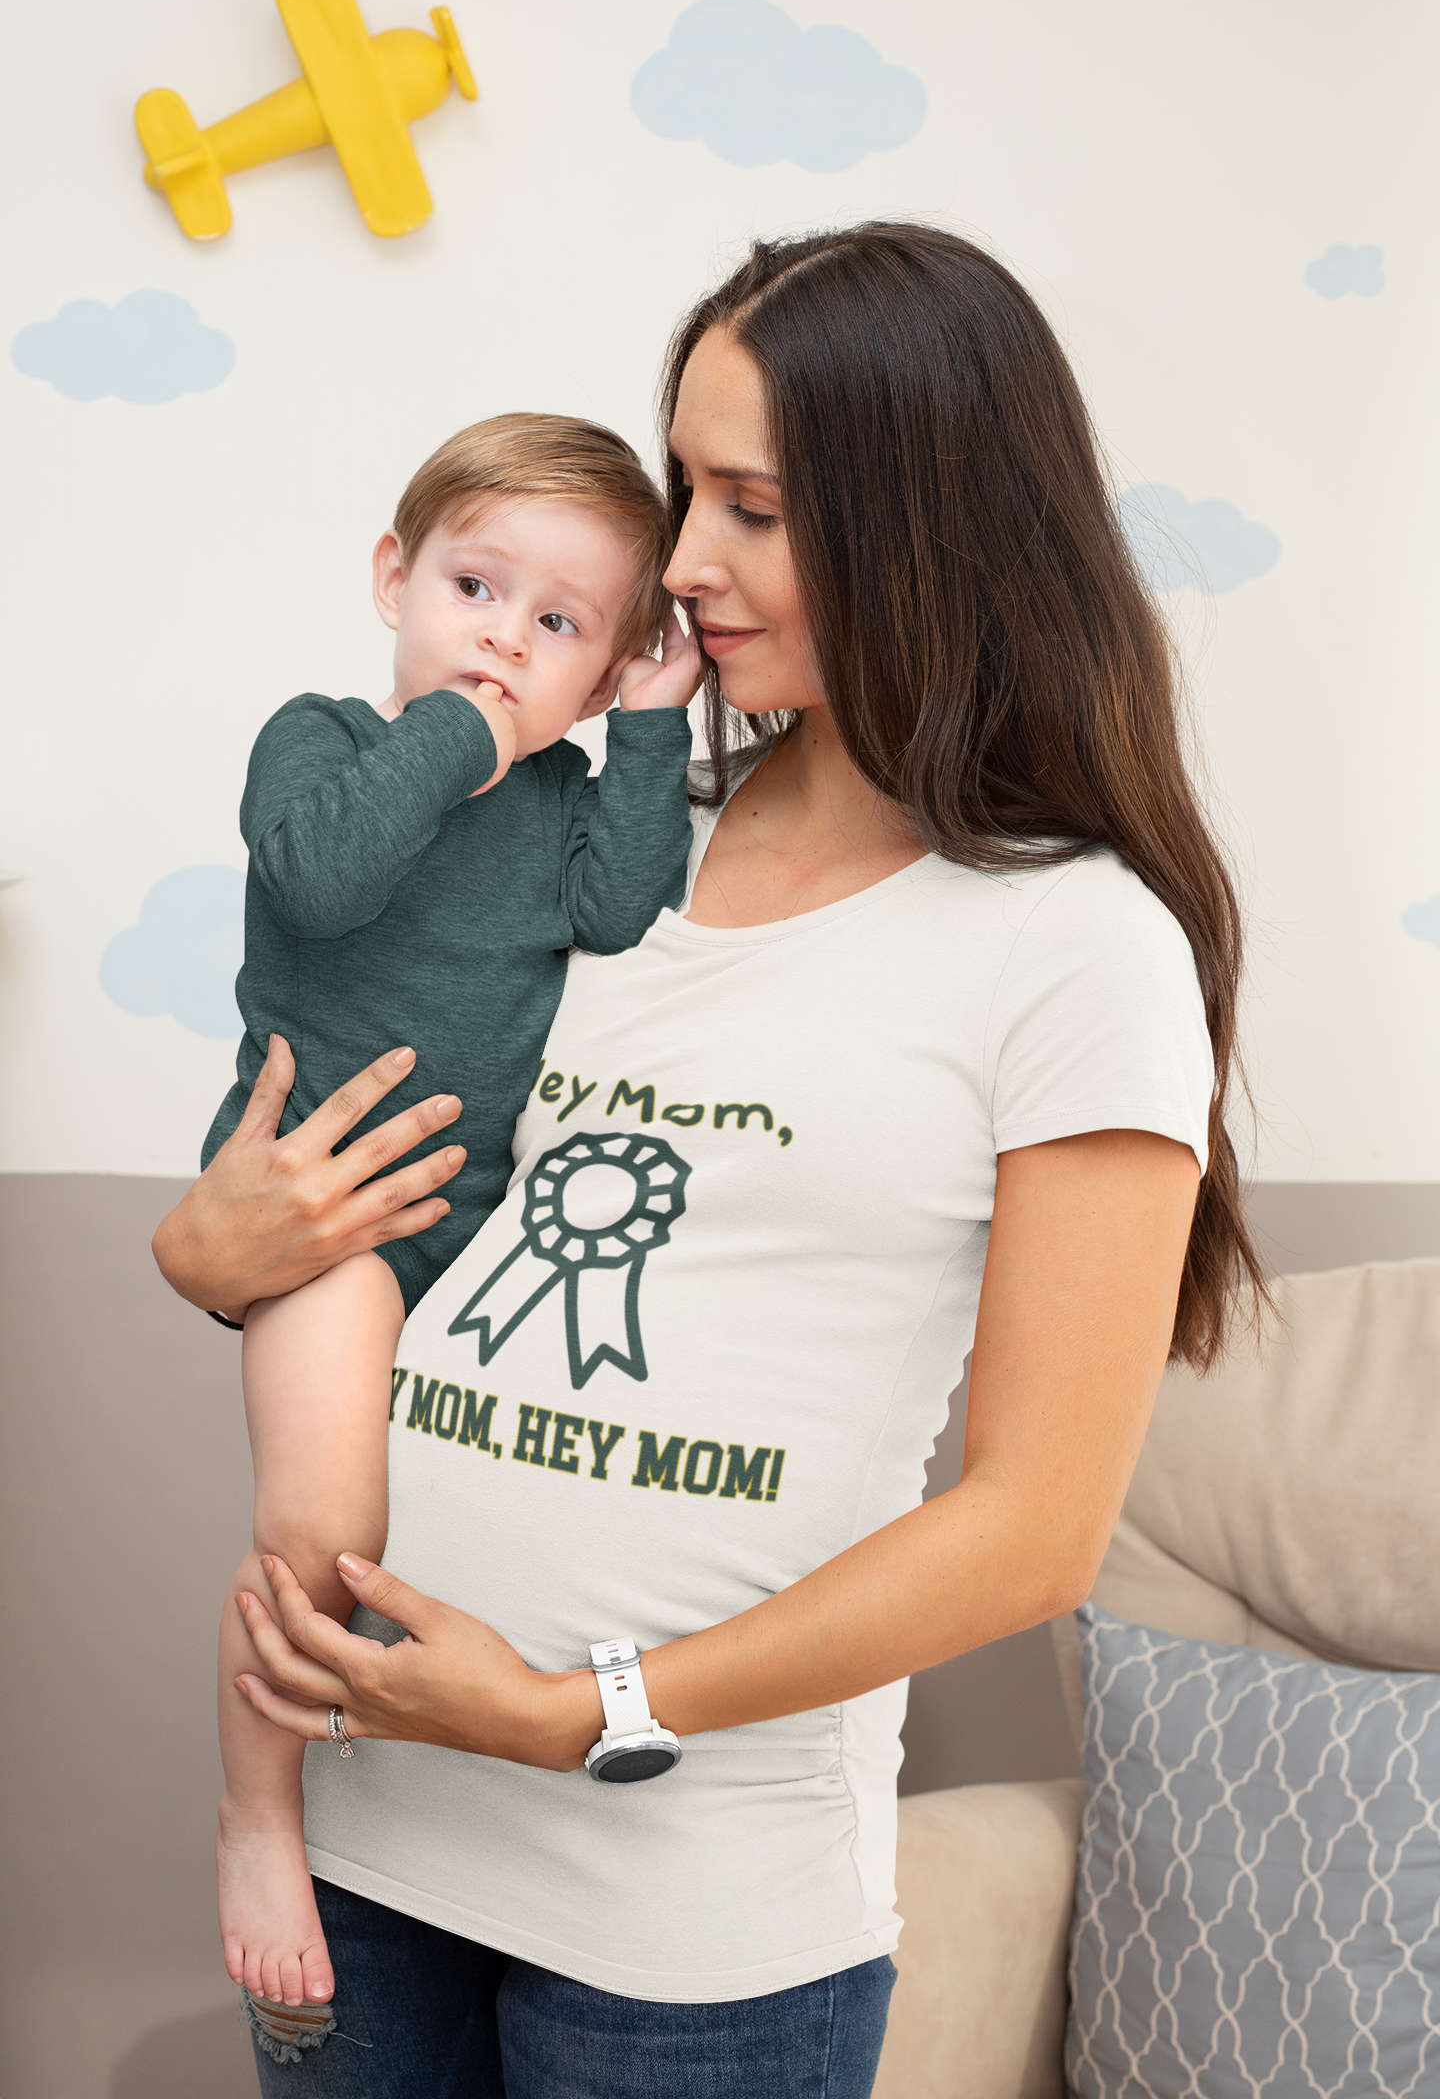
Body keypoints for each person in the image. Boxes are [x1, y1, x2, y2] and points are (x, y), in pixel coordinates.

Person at [154, 222, 1265, 2099]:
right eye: (690, 493)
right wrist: (209, 1253)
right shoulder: (616, 836)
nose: (681, 563)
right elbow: (404, 1180)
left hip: (686, 1939)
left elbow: (1031, 1529)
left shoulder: (1077, 945)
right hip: (369, 1826)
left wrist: (579, 1710)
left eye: (754, 506)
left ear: (926, 528)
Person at [204, 414, 701, 2016]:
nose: (503, 636)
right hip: (327, 1219)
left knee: (479, 1544)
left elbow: (621, 905)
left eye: (559, 625)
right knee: (324, 1524)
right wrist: (464, 731)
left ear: (609, 662)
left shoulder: (567, 796)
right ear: (391, 577)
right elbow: (326, 880)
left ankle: (459, 1820)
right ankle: (259, 1813)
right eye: (475, 587)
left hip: (492, 1237)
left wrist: (642, 733)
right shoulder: (324, 738)